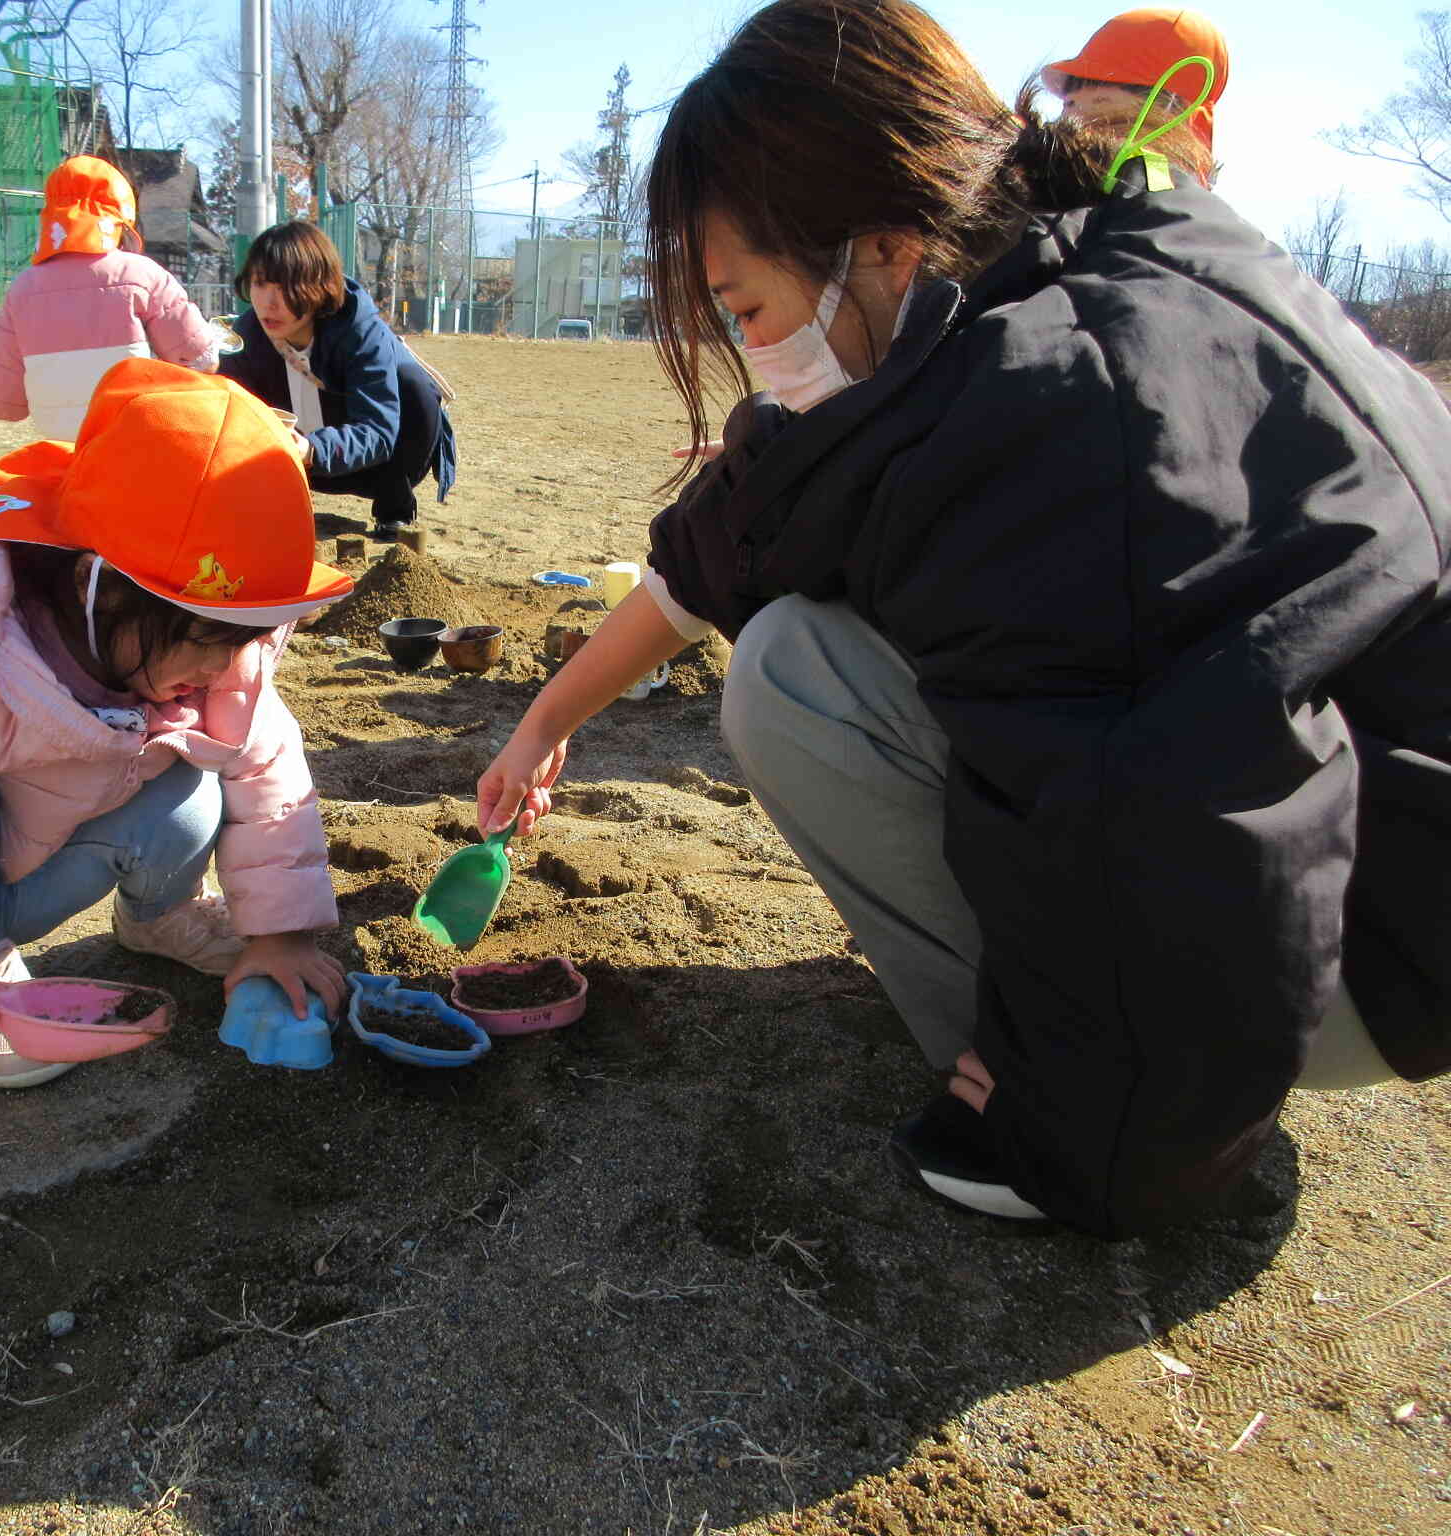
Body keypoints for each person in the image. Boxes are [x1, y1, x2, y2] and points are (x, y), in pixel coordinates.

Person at [475, 0, 1450, 1239]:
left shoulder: (1044, 420)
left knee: (795, 673)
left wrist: (1086, 1126)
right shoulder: (1078, 274)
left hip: (1374, 948)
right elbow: (722, 545)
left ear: (879, 246)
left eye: (746, 311)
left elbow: (1170, 797)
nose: (748, 352)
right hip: (1389, 838)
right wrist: (544, 719)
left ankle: (1036, 1058)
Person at [0, 358, 352, 1089]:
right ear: (100, 590)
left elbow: (270, 771)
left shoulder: (199, 646)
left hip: (59, 849)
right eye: (208, 644)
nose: (222, 671)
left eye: (241, 642)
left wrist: (278, 935)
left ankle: (157, 917)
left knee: (196, 783)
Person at [217, 221, 455, 541]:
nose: (268, 302)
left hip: (372, 462)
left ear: (318, 288)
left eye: (285, 288)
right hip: (295, 462)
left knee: (413, 385)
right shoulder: (246, 336)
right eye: (260, 284)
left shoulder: (360, 330)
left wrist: (311, 449)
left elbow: (380, 430)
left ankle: (393, 506)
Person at [0, 156, 221, 443]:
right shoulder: (141, 274)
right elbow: (200, 357)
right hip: (131, 428)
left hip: (62, 438)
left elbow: (3, 386)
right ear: (120, 219)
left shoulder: (22, 288)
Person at [1042, 7, 1228, 167]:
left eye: (1101, 101)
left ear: (1172, 111)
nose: (1073, 119)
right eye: (1070, 103)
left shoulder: (1167, 205)